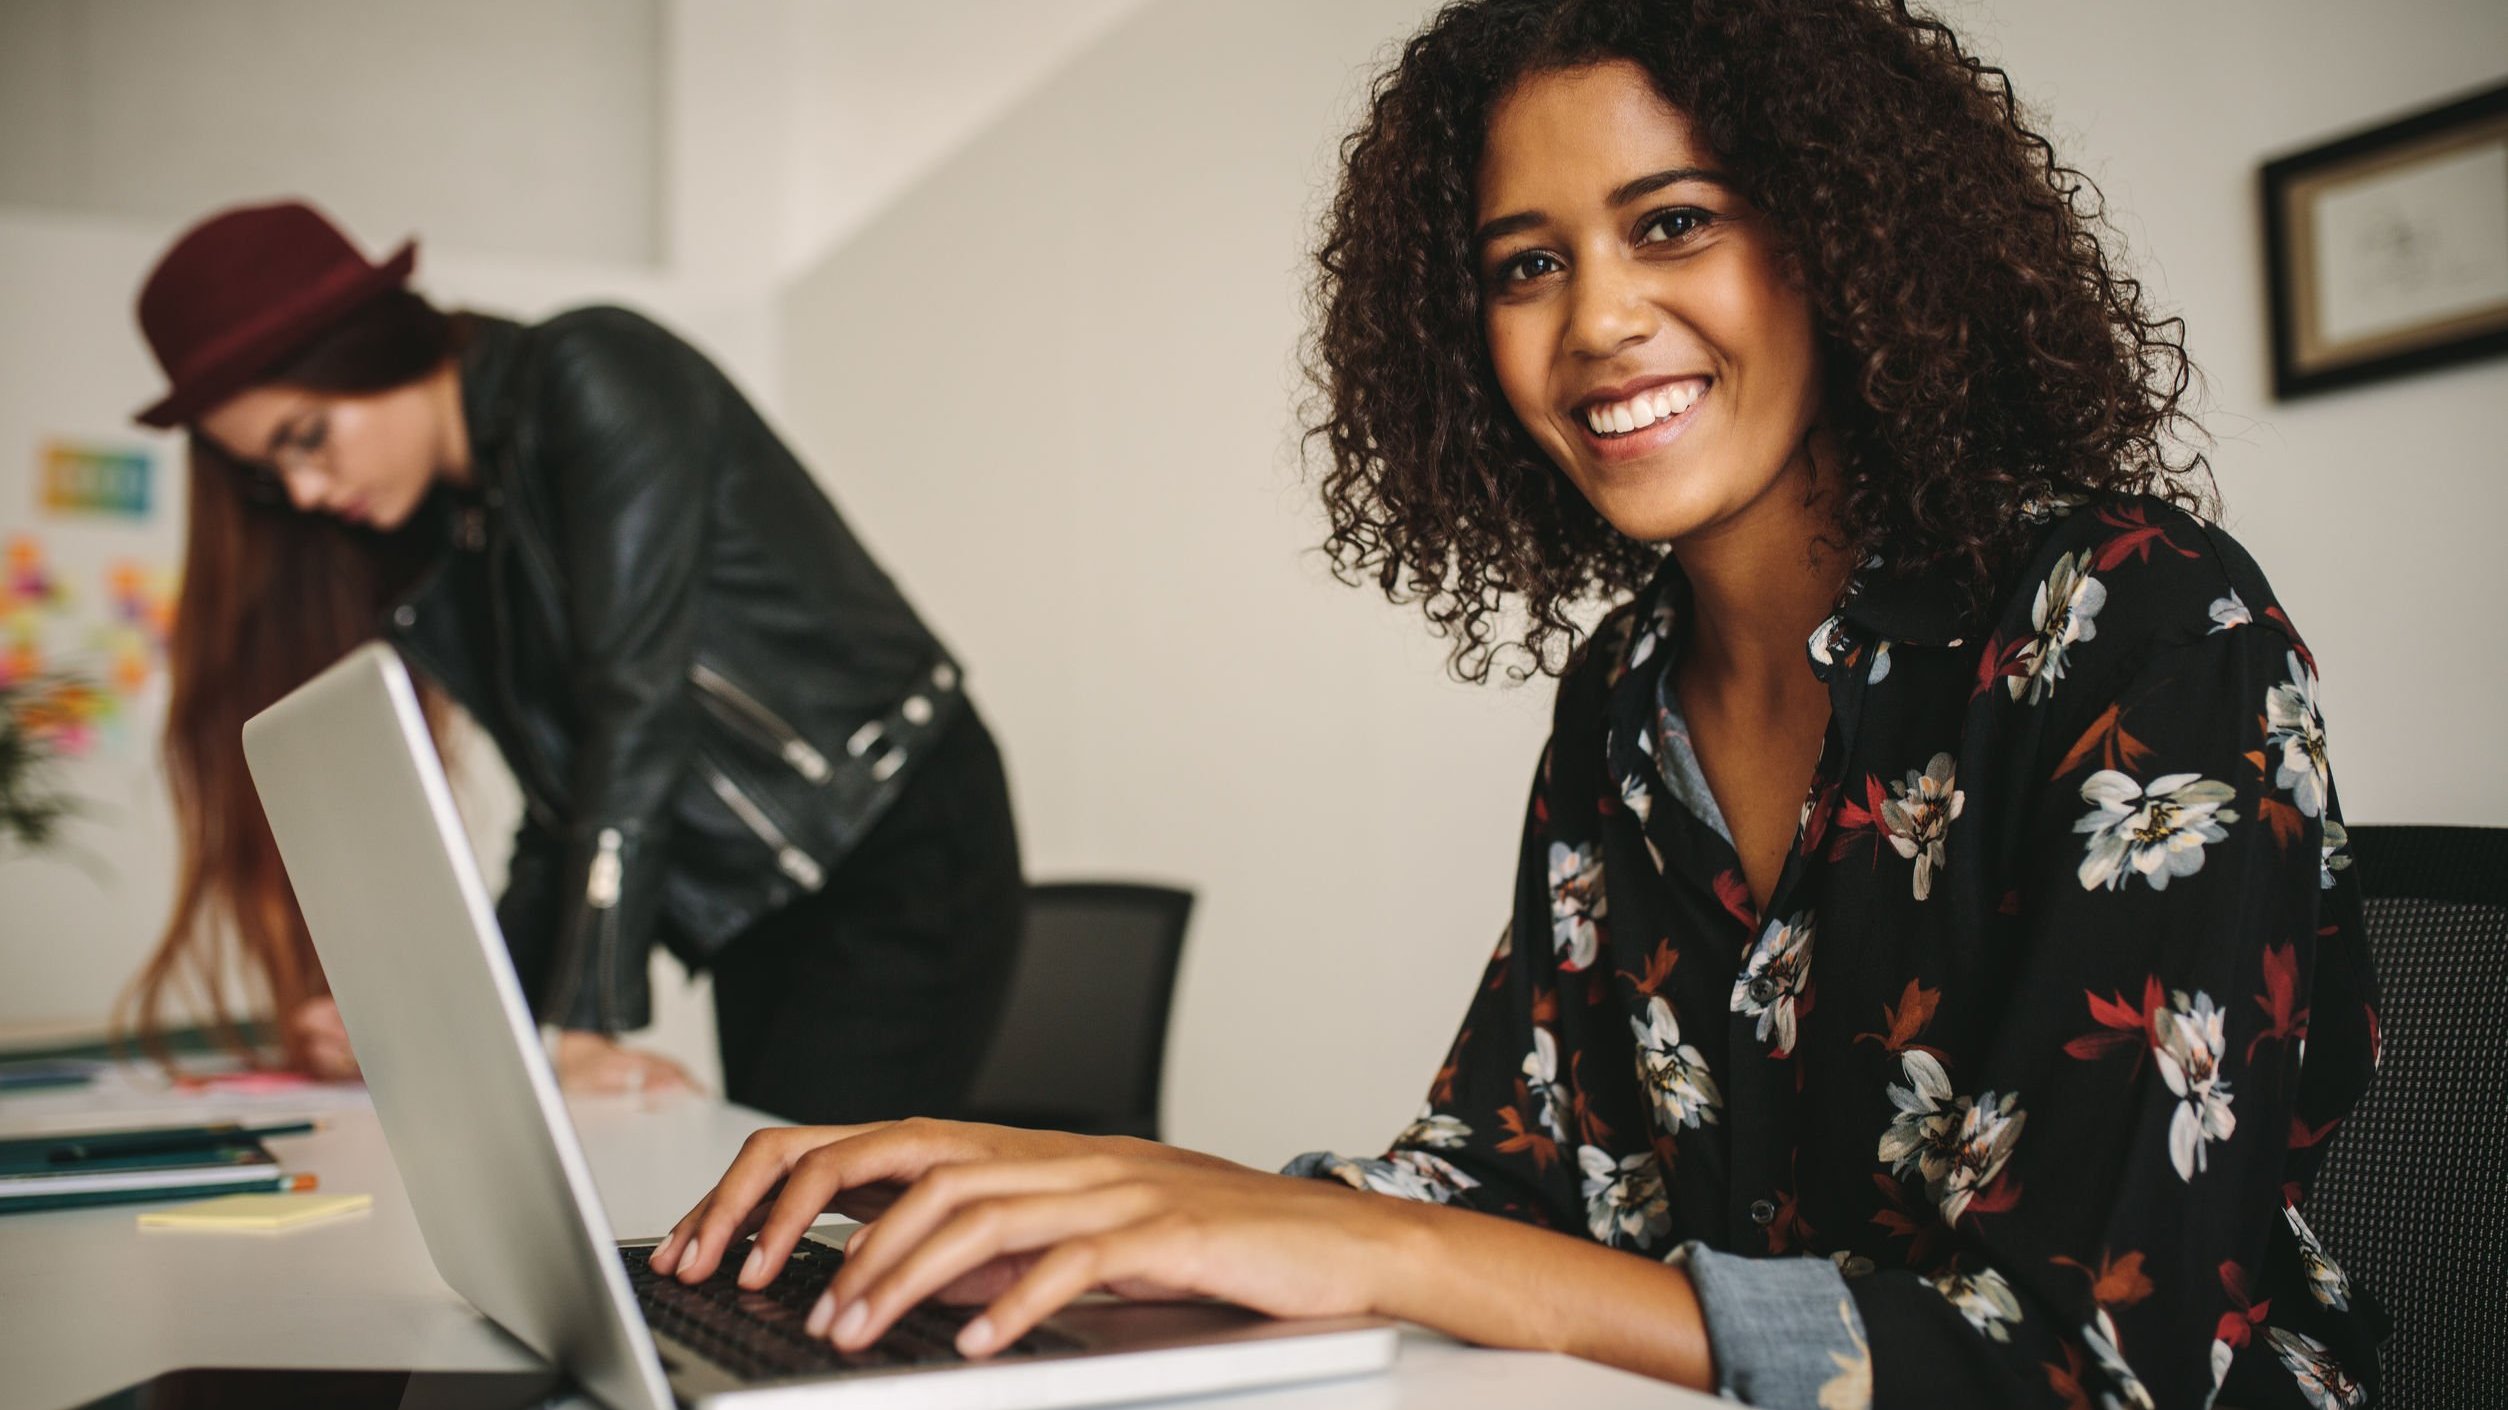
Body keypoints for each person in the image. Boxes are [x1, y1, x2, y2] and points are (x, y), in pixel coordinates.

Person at [645, 1, 2385, 1405]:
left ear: (1846, 239)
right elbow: (1506, 1174)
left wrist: (1386, 1261)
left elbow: (2080, 1364)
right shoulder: (1622, 700)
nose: (1598, 321)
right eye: (1523, 263)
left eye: (1671, 224)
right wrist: (1101, 1201)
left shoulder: (2143, 625)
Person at [121, 200, 1024, 1125]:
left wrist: (589, 1020)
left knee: (804, 1205)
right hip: (764, 896)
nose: (305, 490)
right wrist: (427, 1022)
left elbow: (638, 708)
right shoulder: (461, 529)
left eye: (305, 436)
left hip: (897, 841)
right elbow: (565, 811)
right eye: (273, 474)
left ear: (375, 344)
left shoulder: (593, 373)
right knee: (778, 1199)